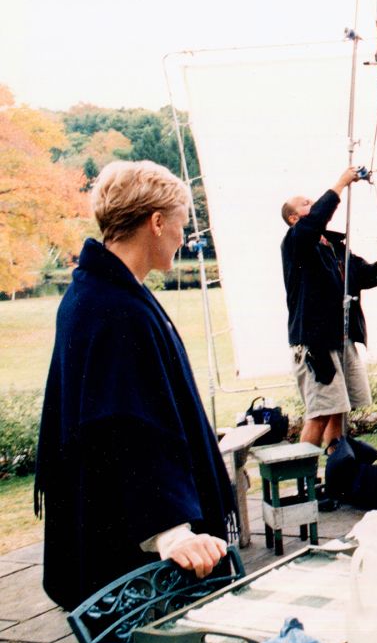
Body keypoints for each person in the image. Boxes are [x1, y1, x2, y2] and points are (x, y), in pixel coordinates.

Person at [35, 161, 236, 610]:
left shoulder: (102, 292)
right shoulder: (112, 308)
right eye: (182, 223)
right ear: (157, 221)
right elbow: (121, 424)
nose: (183, 237)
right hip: (133, 568)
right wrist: (169, 530)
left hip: (124, 541)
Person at [281, 167, 377, 446]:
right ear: (294, 218)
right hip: (316, 343)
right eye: (306, 204)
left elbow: (362, 275)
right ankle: (305, 481)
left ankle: (337, 476)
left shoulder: (334, 246)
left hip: (340, 338)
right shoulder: (297, 242)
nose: (314, 205)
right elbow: (317, 218)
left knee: (340, 411)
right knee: (321, 412)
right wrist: (341, 184)